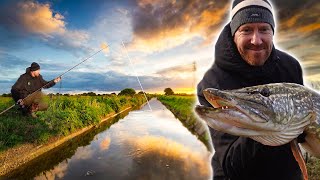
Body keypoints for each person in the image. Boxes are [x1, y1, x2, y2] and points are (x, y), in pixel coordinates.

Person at [197, 0, 304, 179]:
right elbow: (233, 165)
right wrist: (267, 125)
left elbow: (301, 133)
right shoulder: (213, 82)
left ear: (272, 32)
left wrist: (299, 127)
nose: (256, 40)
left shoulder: (290, 66)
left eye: (264, 29)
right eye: (246, 29)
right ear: (234, 33)